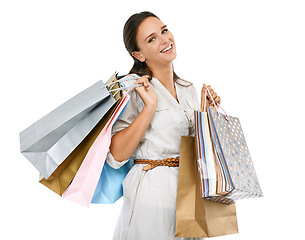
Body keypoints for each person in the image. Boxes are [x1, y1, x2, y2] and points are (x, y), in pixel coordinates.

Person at [105, 11, 221, 240]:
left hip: (190, 195)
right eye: (152, 39)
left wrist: (209, 115)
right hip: (152, 197)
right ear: (138, 55)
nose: (165, 40)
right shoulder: (132, 89)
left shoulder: (189, 88)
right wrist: (149, 108)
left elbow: (199, 151)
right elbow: (116, 156)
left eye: (164, 30)